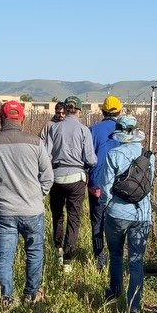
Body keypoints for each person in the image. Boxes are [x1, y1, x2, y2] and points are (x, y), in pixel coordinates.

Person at [0, 99, 53, 307]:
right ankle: (31, 294)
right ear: (22, 119)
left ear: (1, 118)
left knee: (4, 257)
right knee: (34, 252)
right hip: (32, 210)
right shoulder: (36, 143)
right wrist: (38, 194)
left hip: (4, 211)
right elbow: (48, 176)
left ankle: (6, 300)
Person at [100, 115, 155, 313]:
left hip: (117, 213)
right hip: (142, 214)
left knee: (115, 255)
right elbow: (150, 184)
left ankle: (114, 293)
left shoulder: (113, 154)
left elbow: (105, 186)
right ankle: (134, 308)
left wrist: (105, 204)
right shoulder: (148, 155)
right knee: (136, 260)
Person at [44, 95, 96, 272]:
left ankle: (58, 248)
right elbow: (90, 159)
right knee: (74, 218)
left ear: (65, 110)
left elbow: (46, 155)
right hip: (76, 178)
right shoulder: (84, 130)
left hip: (56, 177)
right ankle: (68, 259)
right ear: (80, 111)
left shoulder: (54, 128)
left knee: (57, 214)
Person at [87, 95, 123, 269]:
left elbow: (87, 158)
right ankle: (116, 258)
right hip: (120, 186)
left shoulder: (92, 130)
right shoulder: (125, 130)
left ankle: (100, 261)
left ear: (102, 111)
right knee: (117, 223)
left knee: (97, 223)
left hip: (97, 185)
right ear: (120, 111)